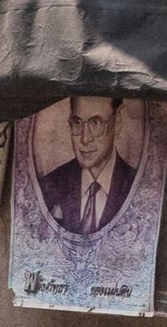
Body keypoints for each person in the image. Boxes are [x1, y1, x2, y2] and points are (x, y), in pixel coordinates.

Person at [38, 97, 138, 234]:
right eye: (77, 123)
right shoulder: (47, 186)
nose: (85, 139)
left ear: (118, 121)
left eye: (96, 123)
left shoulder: (138, 185)